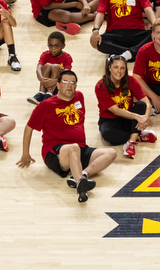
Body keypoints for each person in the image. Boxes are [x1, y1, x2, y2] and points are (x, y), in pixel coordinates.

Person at [18, 68, 115, 201]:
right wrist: (25, 154)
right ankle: (81, 188)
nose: (69, 85)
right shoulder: (46, 105)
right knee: (73, 147)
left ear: (76, 85)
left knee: (111, 153)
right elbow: (29, 128)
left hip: (80, 148)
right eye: (65, 81)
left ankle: (82, 176)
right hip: (55, 152)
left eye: (73, 82)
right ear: (57, 85)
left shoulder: (79, 96)